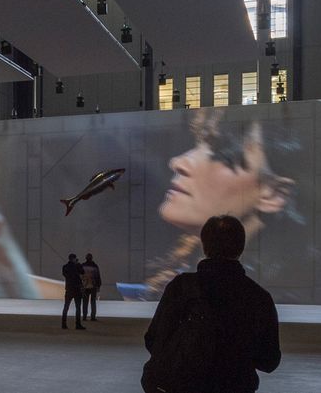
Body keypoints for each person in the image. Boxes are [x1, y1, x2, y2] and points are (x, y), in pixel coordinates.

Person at [127, 110, 301, 300]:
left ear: (273, 194)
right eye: (197, 144)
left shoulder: (255, 299)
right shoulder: (177, 277)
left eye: (220, 152)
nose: (177, 162)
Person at [142, 215, 281, 393]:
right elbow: (269, 361)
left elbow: (153, 340)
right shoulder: (259, 297)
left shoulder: (181, 287)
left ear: (204, 245)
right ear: (241, 248)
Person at [60, 253, 85, 330]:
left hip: (69, 289)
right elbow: (82, 272)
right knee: (78, 308)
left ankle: (63, 324)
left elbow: (65, 274)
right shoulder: (77, 266)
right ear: (74, 259)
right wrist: (77, 264)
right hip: (77, 289)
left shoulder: (65, 267)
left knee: (66, 307)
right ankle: (78, 324)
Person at [81, 253, 101, 321]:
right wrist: (98, 286)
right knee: (93, 302)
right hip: (93, 286)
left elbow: (80, 276)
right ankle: (92, 317)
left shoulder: (82, 266)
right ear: (92, 258)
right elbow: (98, 277)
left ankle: (84, 316)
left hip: (85, 286)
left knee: (85, 302)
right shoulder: (95, 266)